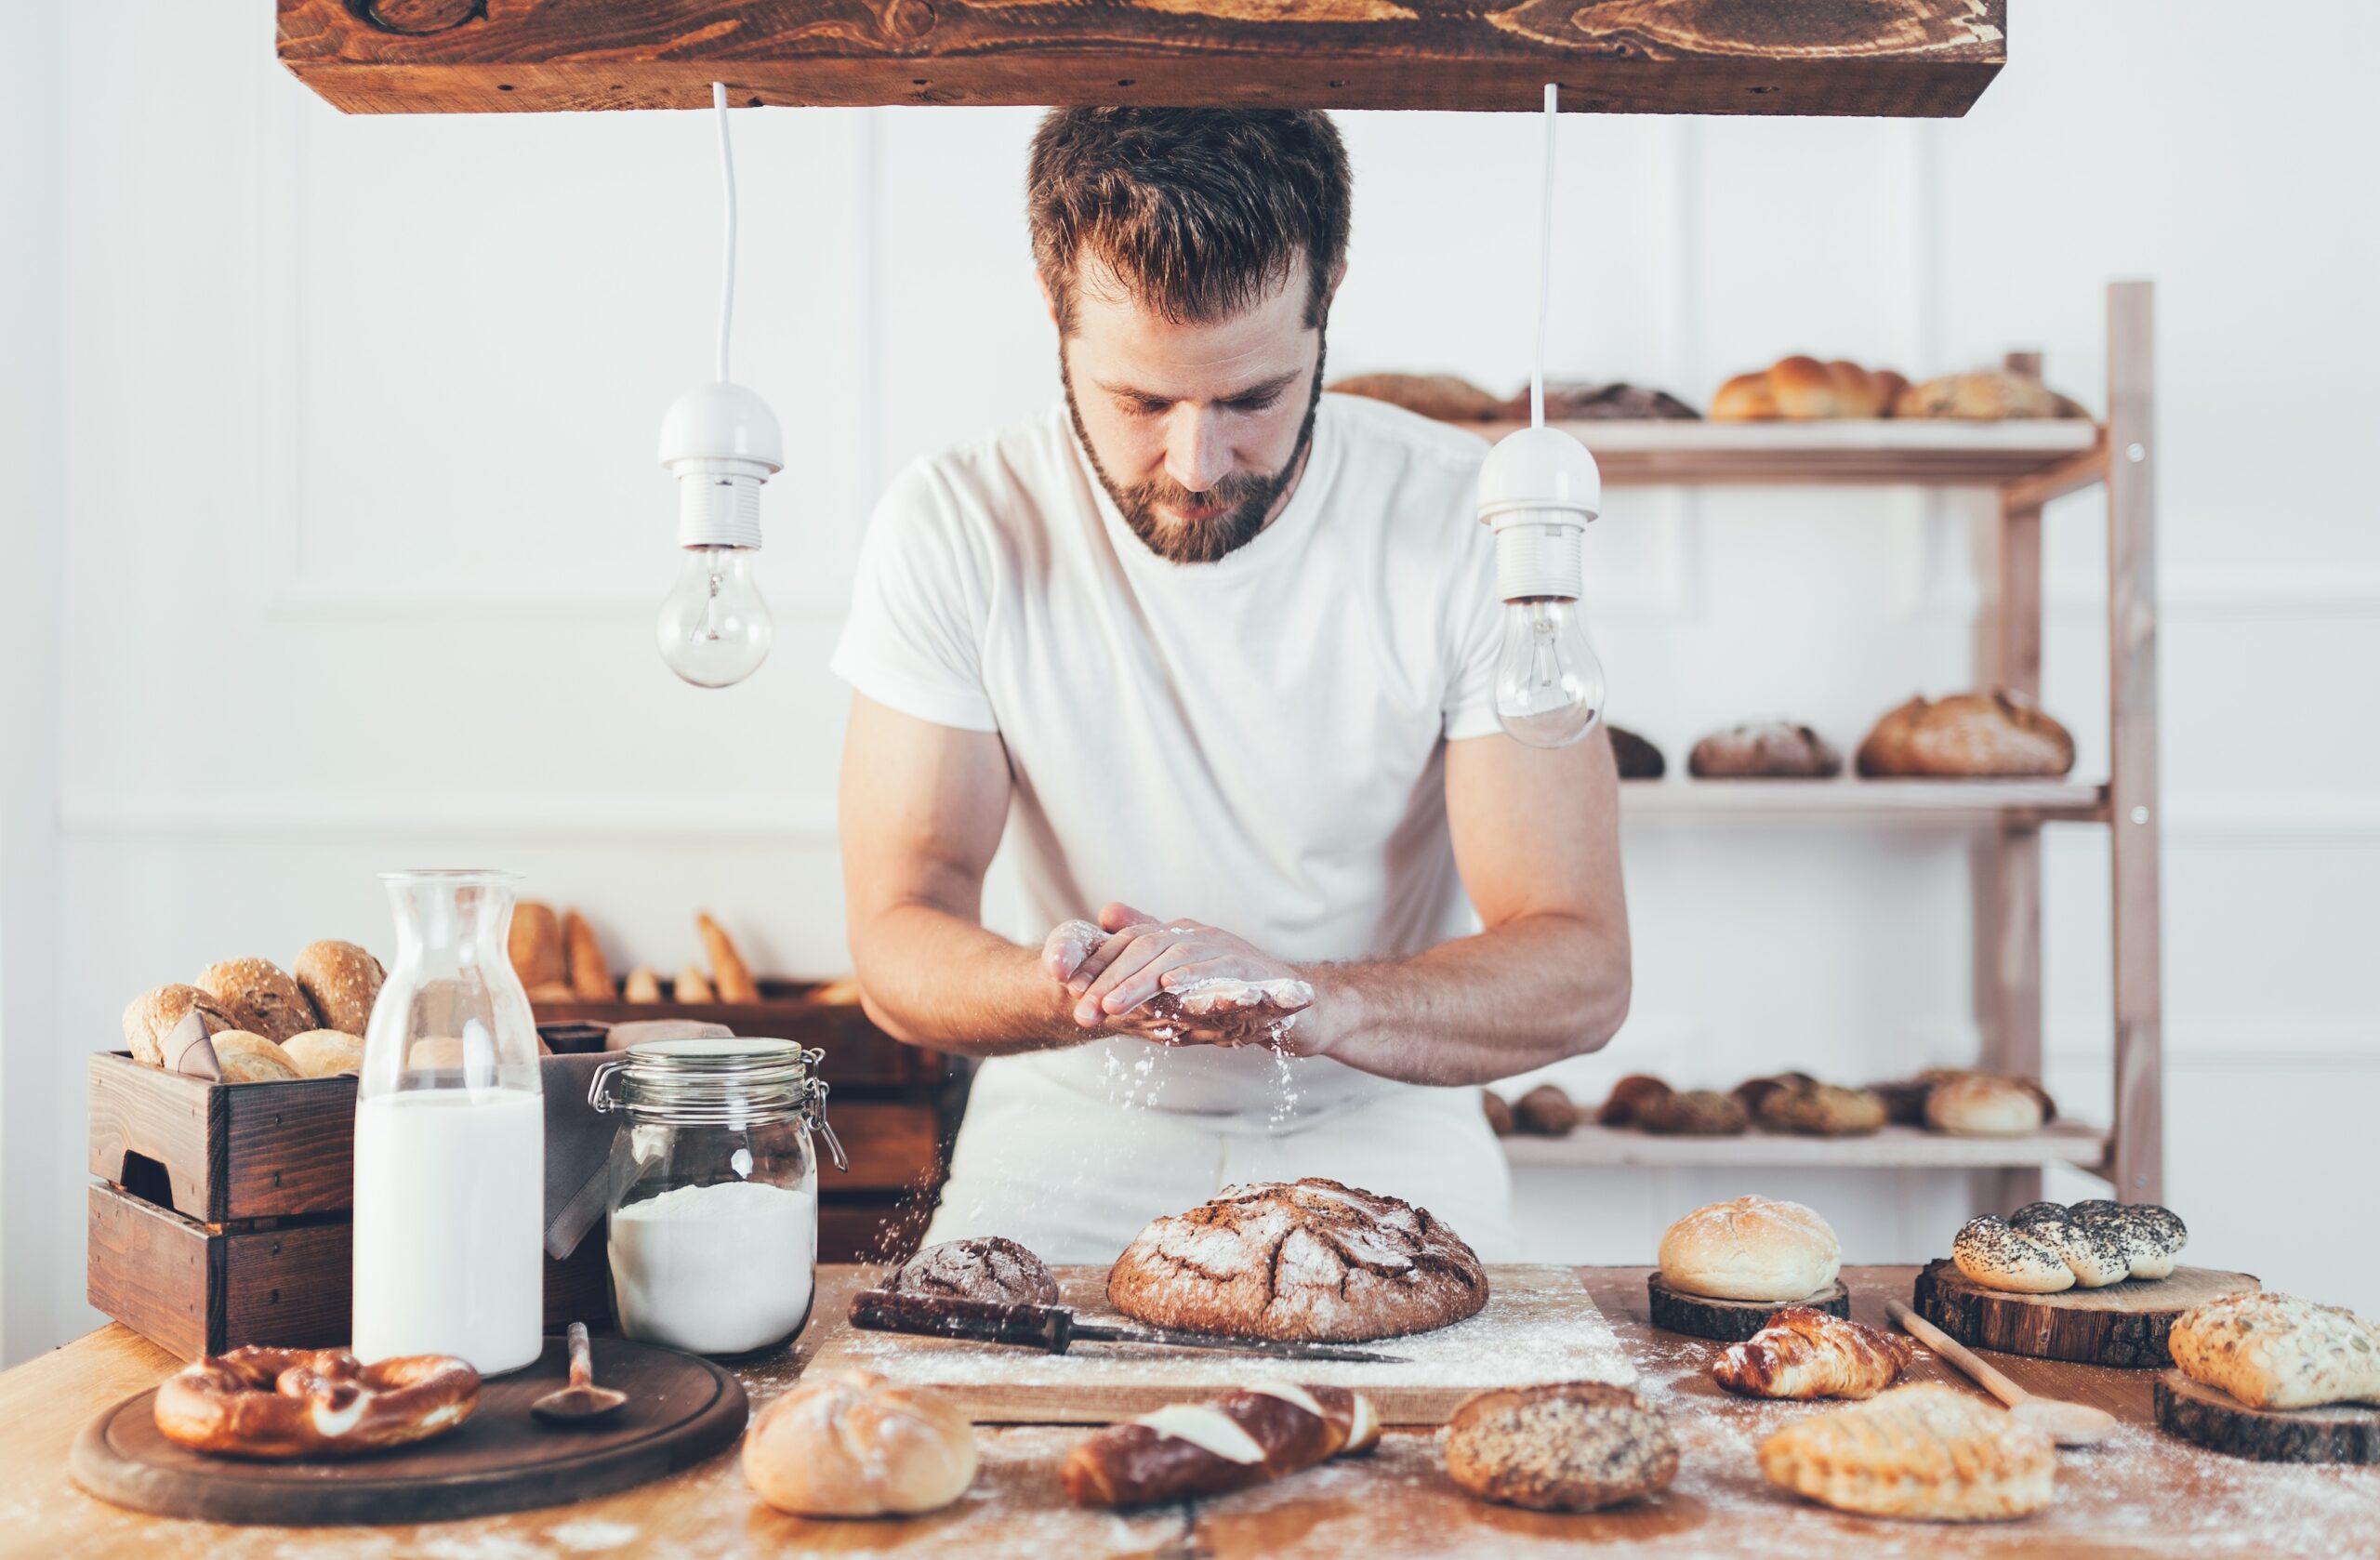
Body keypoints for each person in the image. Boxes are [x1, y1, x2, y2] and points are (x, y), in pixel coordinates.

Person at [832, 107, 1629, 1262]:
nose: (1196, 465)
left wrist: (1317, 1002)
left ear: (1328, 295)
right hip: (1070, 1112)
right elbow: (899, 932)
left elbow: (1580, 963)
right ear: (1055, 311)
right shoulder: (958, 520)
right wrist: (1081, 990)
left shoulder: (1472, 516)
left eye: (1252, 398)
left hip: (1383, 1110)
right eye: (1140, 403)